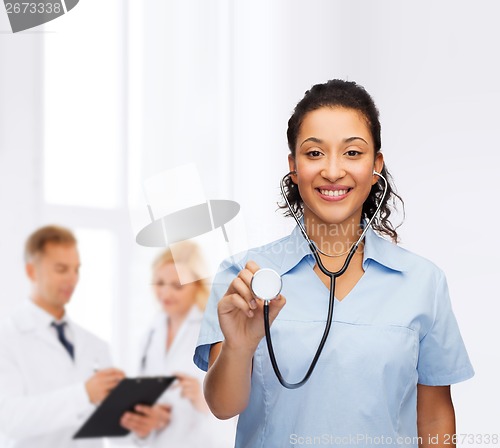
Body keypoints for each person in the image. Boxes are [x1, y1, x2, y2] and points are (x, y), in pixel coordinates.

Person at [194, 79, 474, 448]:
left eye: (352, 153)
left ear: (376, 166)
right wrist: (239, 347)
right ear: (293, 167)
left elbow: (435, 417)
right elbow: (223, 407)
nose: (332, 170)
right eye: (314, 154)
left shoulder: (424, 282)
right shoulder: (244, 275)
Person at [0, 225, 125, 448]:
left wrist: (136, 424)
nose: (72, 279)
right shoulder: (7, 337)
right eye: (61, 269)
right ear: (31, 272)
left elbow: (110, 426)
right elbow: (9, 419)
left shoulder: (95, 345)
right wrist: (83, 395)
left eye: (76, 269)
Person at [120, 242, 236, 447]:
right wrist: (150, 419)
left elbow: (232, 409)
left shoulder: (213, 331)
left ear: (197, 285)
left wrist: (203, 399)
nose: (166, 293)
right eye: (160, 283)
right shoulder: (150, 334)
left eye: (177, 286)